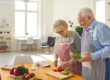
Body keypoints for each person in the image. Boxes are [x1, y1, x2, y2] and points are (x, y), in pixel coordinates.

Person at [77, 7, 110, 80]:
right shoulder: (85, 28)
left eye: (80, 21)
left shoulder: (101, 28)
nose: (79, 24)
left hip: (101, 66)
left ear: (89, 17)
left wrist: (92, 56)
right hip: (87, 66)